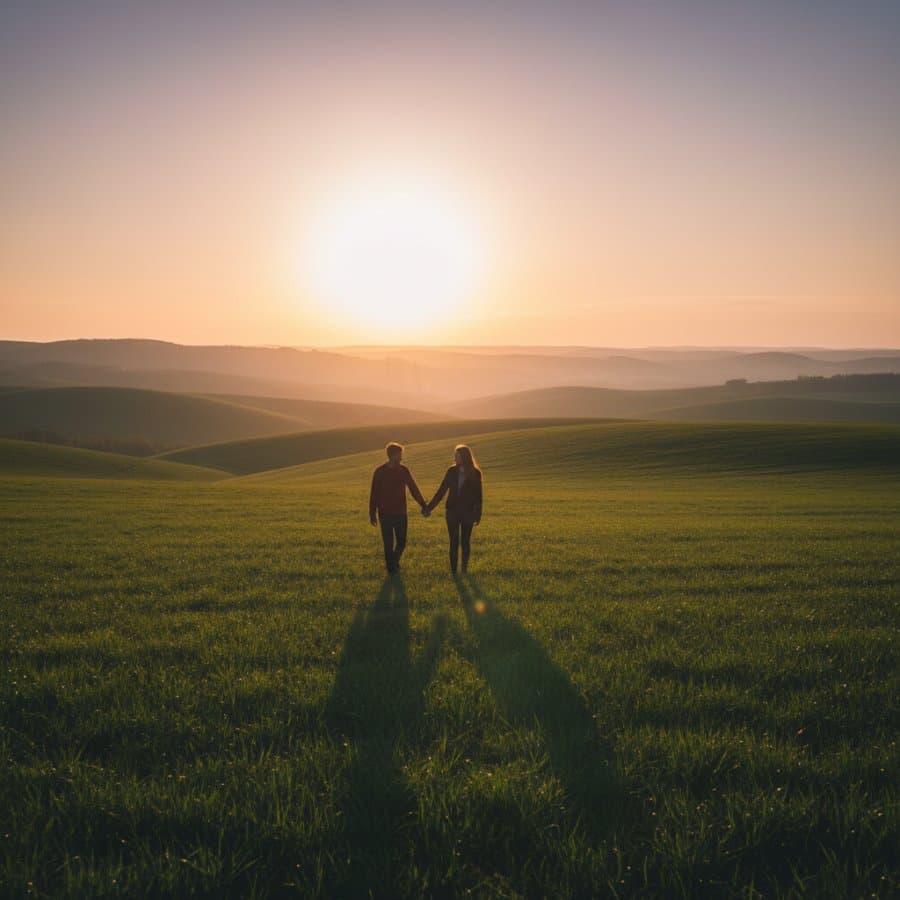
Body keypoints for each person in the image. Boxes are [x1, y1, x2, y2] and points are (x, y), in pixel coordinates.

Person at [369, 442, 429, 575]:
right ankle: (392, 570)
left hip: (401, 513)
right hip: (385, 513)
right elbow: (374, 493)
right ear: (393, 455)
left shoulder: (403, 470)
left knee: (402, 542)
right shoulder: (380, 472)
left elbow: (413, 489)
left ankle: (393, 563)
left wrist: (423, 505)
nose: (401, 457)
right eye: (400, 455)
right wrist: (372, 513)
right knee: (388, 543)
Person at [426, 444, 483, 574]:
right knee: (453, 542)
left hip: (468, 512)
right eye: (455, 455)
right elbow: (441, 491)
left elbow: (479, 495)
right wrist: (429, 507)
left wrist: (478, 514)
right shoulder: (451, 471)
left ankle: (464, 569)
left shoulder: (475, 473)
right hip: (452, 511)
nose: (454, 457)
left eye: (457, 455)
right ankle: (453, 571)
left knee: (465, 542)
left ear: (464, 456)